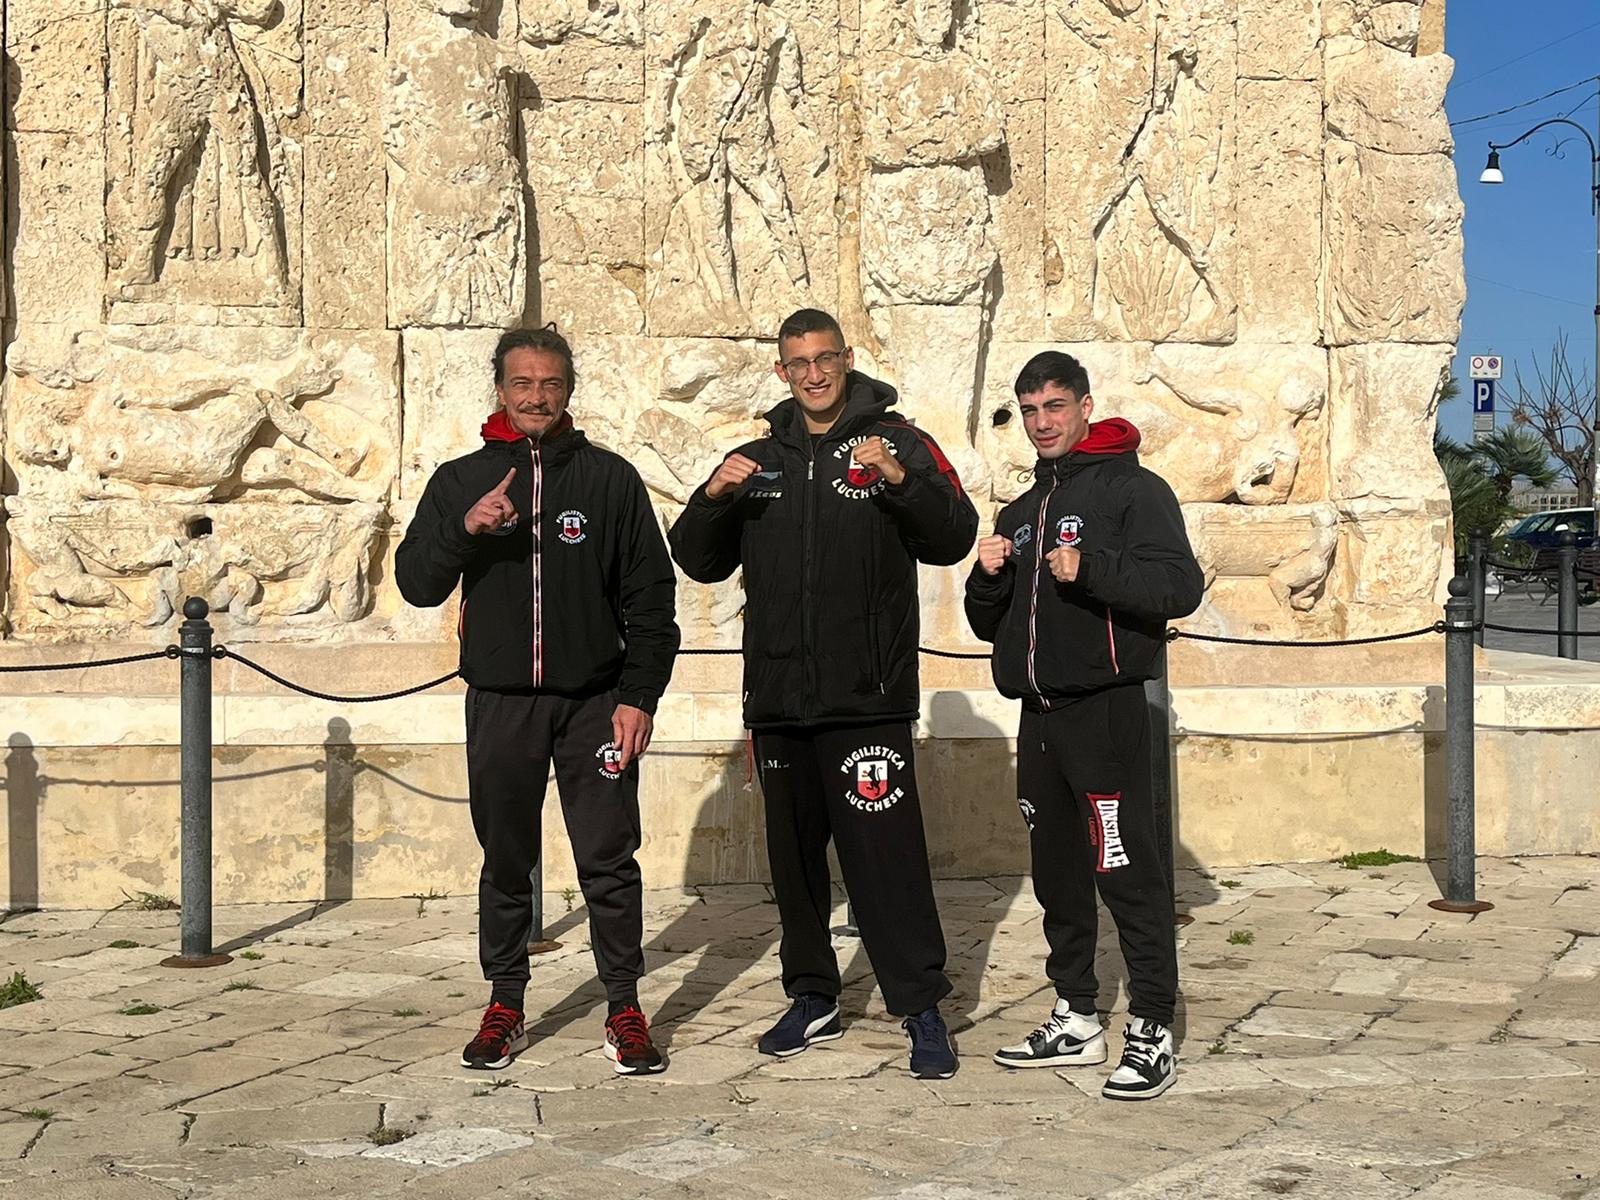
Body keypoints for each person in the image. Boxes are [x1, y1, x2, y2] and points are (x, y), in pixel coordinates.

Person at [669, 308, 978, 1080]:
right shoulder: (756, 459)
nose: (814, 374)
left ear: (846, 360)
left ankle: (920, 1006)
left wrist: (901, 481)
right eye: (799, 363)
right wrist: (712, 496)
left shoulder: (898, 442)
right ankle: (813, 996)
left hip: (866, 698)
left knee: (886, 863)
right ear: (782, 372)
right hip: (780, 702)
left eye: (825, 359)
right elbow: (698, 561)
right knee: (796, 866)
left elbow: (954, 535)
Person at [395, 326, 680, 1076]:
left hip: (596, 704)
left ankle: (623, 1007)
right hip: (501, 703)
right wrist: (466, 530)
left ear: (568, 390)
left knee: (609, 860)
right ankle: (505, 1005)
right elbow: (416, 582)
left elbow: (651, 597)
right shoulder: (461, 480)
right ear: (500, 389)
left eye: (550, 383)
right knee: (505, 861)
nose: (536, 397)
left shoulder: (610, 480)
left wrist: (639, 696)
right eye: (522, 383)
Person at [964, 350, 1203, 1101]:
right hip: (1037, 718)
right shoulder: (1020, 511)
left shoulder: (1135, 490)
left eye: (1055, 407)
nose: (1043, 423)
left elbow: (1180, 587)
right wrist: (987, 577)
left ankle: (1154, 1025)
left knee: (1126, 871)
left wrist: (1091, 568)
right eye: (1030, 410)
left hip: (1106, 714)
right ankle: (1076, 1014)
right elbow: (987, 624)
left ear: (1085, 407)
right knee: (1058, 878)